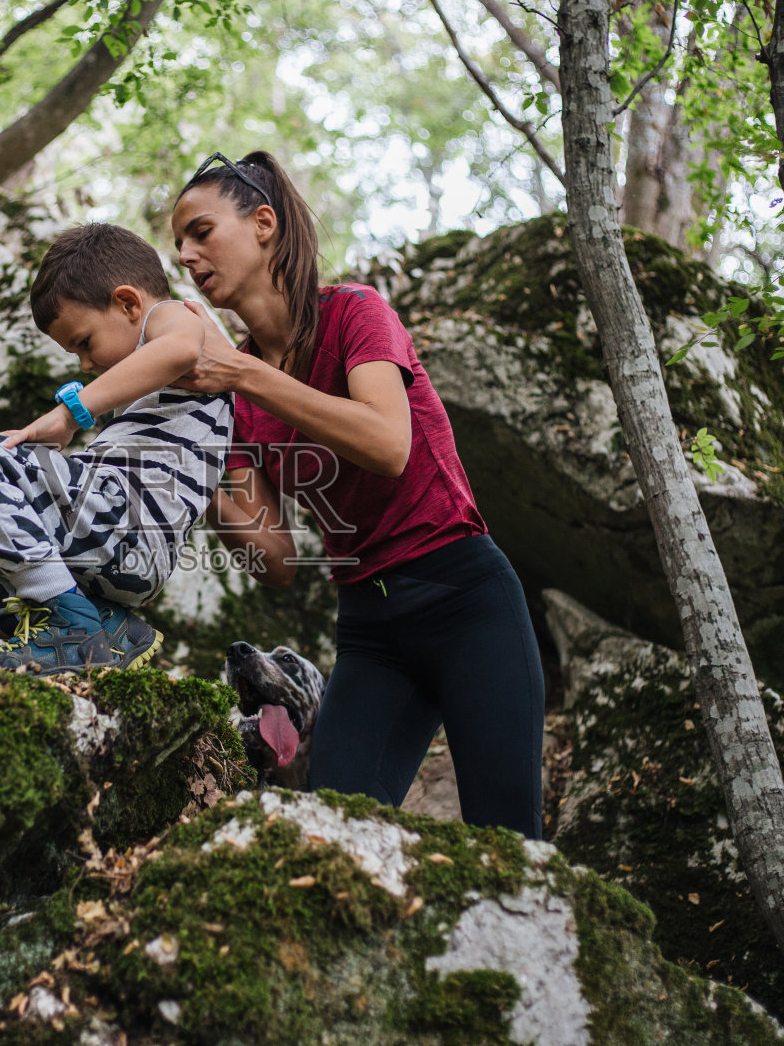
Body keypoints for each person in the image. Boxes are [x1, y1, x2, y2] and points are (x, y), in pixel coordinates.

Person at [172, 151, 545, 838]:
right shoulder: (237, 395)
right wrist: (190, 473)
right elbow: (277, 560)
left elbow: (386, 443)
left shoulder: (356, 314)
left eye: (200, 231)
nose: (187, 256)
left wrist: (246, 376)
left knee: (510, 839)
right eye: (179, 246)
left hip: (466, 598)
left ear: (262, 224)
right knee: (329, 834)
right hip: (371, 632)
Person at [0, 223, 233, 674]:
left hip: (129, 526)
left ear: (129, 303)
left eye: (84, 343)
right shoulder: (146, 376)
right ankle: (103, 626)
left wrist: (71, 414)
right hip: (106, 539)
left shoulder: (174, 315)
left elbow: (182, 347)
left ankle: (70, 631)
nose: (86, 364)